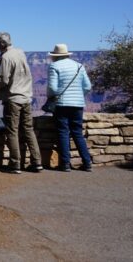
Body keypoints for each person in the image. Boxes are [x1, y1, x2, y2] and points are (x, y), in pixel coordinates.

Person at [0, 32, 42, 174]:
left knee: (12, 131)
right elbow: (12, 61)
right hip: (27, 97)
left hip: (13, 99)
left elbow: (4, 81)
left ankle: (15, 164)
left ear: (0, 44)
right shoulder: (20, 52)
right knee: (28, 129)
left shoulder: (6, 57)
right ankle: (37, 162)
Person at [47, 43, 93, 172]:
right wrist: (78, 96)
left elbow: (52, 88)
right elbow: (87, 86)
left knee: (63, 132)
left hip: (61, 104)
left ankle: (65, 164)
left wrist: (51, 97)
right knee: (77, 132)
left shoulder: (54, 66)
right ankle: (87, 163)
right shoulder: (79, 66)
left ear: (55, 56)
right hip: (78, 104)